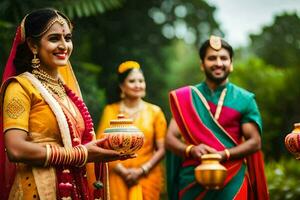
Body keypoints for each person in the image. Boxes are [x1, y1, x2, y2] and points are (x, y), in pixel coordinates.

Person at [0, 8, 133, 200]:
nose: (64, 46)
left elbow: (79, 144)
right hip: (37, 189)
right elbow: (16, 149)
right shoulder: (20, 88)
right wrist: (81, 155)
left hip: (74, 188)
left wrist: (103, 148)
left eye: (68, 38)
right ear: (33, 45)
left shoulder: (65, 91)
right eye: (54, 39)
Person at [165, 35, 269, 200]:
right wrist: (191, 150)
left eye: (224, 58)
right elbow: (170, 138)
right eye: (212, 58)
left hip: (232, 178)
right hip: (192, 179)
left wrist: (224, 154)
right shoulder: (187, 98)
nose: (218, 63)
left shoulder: (244, 99)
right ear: (202, 64)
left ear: (231, 64)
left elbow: (255, 142)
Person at [96, 60, 167, 200]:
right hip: (116, 175)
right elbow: (101, 144)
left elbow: (162, 148)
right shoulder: (110, 110)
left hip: (147, 176)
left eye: (141, 81)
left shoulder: (155, 112)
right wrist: (123, 171)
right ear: (122, 86)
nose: (138, 85)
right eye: (132, 81)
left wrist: (142, 170)